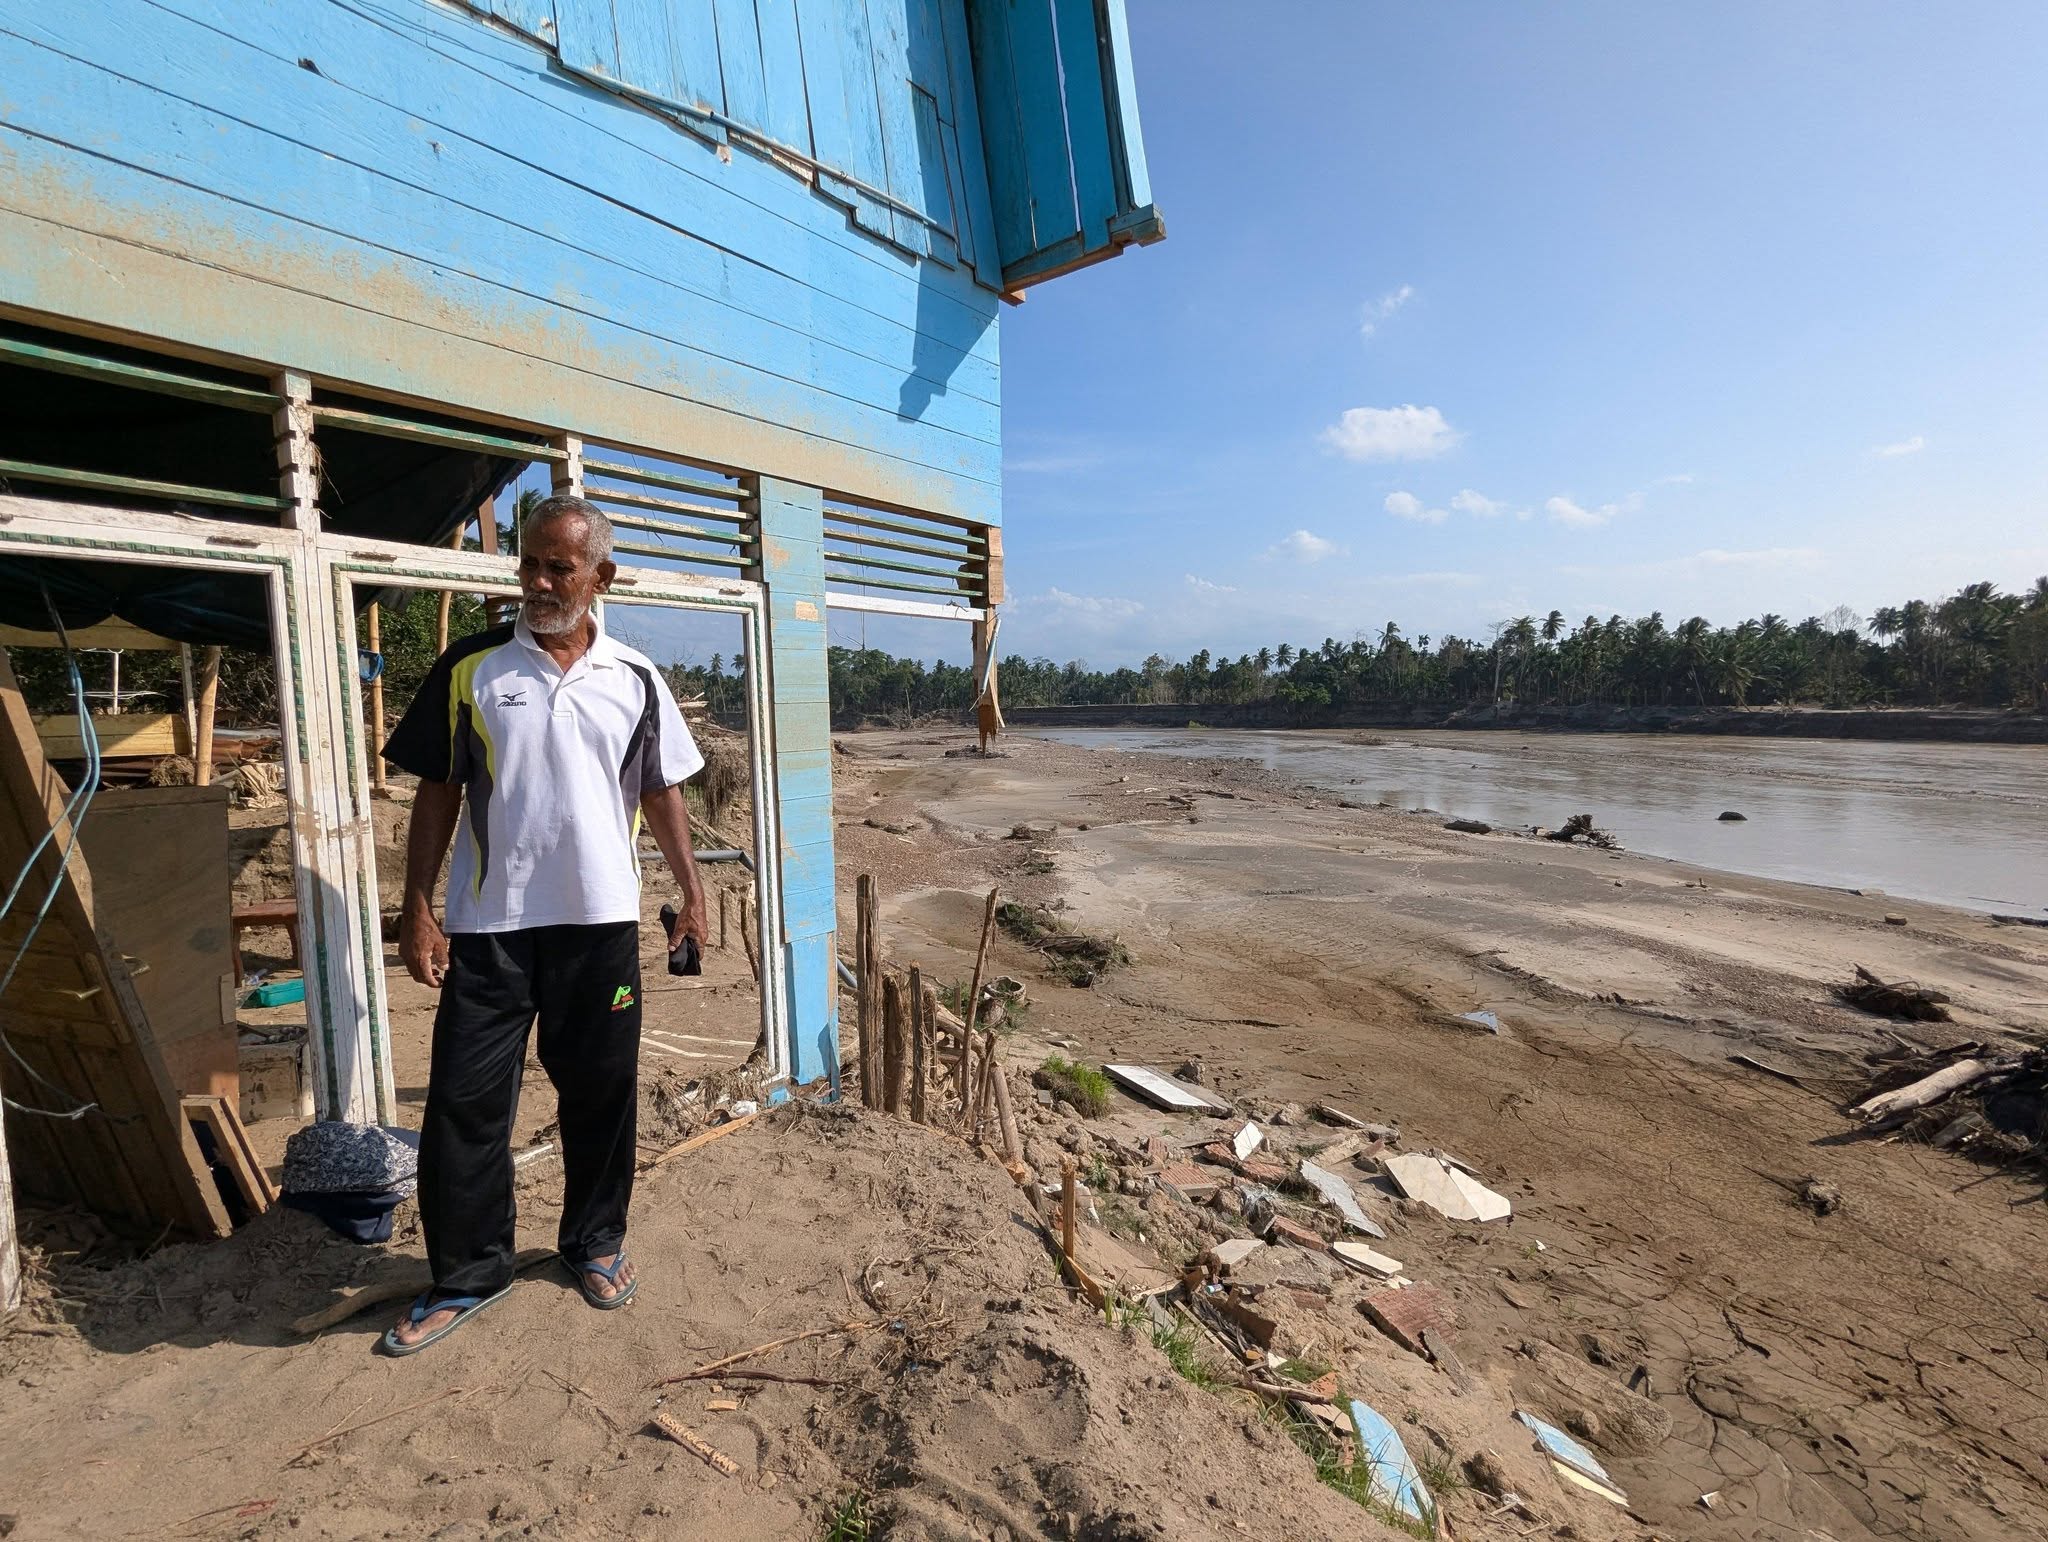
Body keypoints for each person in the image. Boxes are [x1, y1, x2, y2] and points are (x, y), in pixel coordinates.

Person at [376, 493, 708, 1354]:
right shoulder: (473, 668)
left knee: (601, 1097)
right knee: (463, 1102)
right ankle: (467, 1274)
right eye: (529, 562)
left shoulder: (634, 677)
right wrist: (419, 907)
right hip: (491, 928)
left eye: (560, 567)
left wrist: (692, 890)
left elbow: (659, 789)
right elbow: (438, 791)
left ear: (602, 577)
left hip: (601, 927)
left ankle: (593, 1244)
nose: (538, 580)